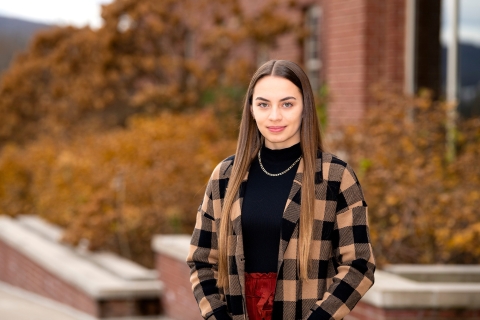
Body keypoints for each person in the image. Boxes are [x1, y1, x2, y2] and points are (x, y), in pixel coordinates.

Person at [186, 60, 375, 320]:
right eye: (263, 104)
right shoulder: (225, 176)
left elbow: (359, 265)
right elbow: (201, 260)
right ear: (251, 109)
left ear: (304, 108)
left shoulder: (335, 177)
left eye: (287, 104)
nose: (274, 116)